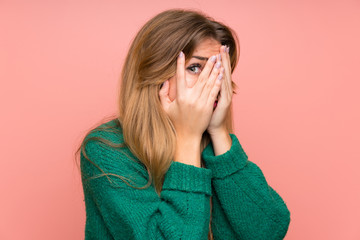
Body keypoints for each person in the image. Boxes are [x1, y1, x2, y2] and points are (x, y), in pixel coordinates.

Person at [76, 8, 291, 240]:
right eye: (195, 67)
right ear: (156, 75)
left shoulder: (211, 145)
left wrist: (219, 133)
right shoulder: (106, 149)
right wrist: (187, 138)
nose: (212, 82)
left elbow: (268, 230)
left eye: (218, 69)